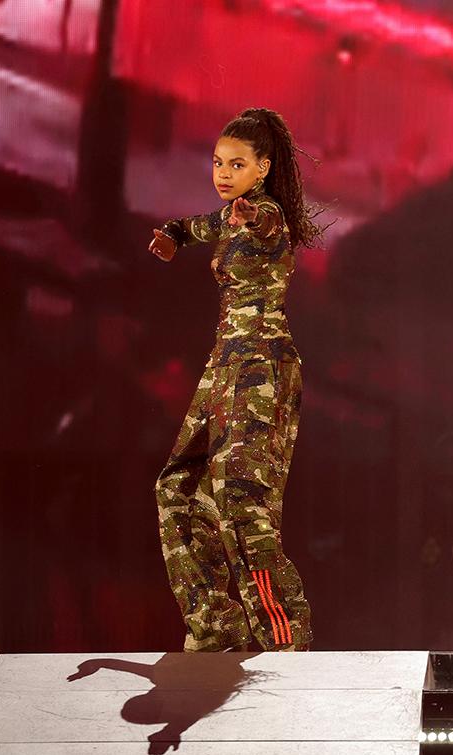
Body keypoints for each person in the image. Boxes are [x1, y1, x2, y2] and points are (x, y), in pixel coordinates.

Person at [150, 108, 321, 651]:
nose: (223, 173)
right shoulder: (231, 215)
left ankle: (283, 639)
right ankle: (217, 627)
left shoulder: (265, 215)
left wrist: (256, 217)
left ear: (263, 168)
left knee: (241, 499)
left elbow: (273, 227)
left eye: (237, 164)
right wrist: (175, 234)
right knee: (176, 487)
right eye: (218, 163)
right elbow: (200, 225)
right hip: (224, 364)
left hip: (261, 366)